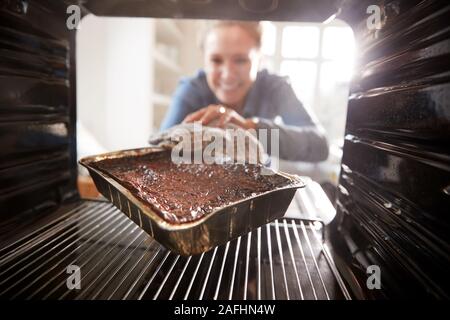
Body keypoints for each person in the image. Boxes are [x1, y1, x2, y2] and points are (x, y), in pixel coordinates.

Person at [159, 20, 329, 162]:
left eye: (240, 60)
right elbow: (159, 154)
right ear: (204, 60)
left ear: (259, 59)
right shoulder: (192, 90)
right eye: (216, 60)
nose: (227, 75)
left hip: (261, 188)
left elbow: (320, 146)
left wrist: (250, 127)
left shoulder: (275, 87)